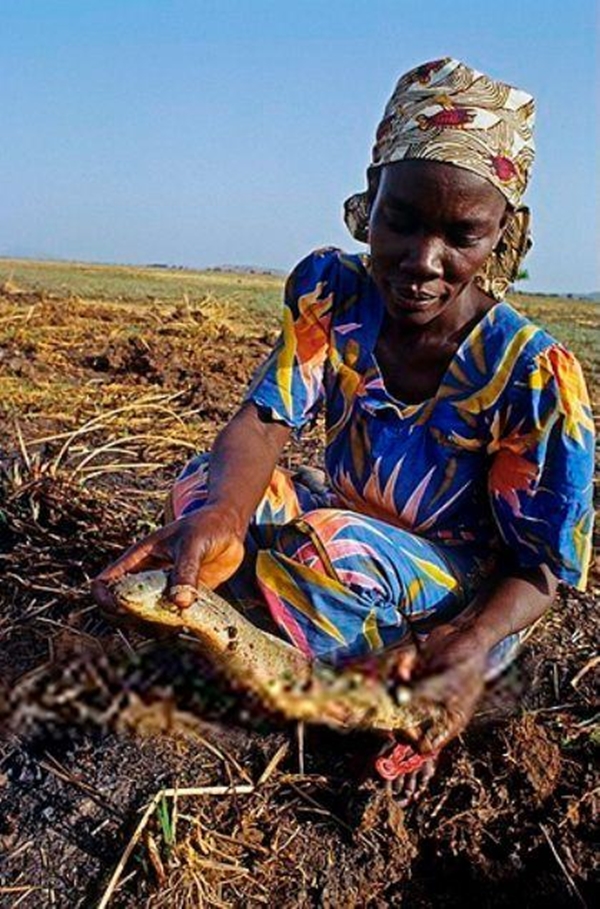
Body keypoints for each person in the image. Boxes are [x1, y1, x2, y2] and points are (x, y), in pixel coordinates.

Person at [93, 58, 595, 804]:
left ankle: (381, 678)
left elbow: (544, 569)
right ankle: (266, 614)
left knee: (328, 548)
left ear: (504, 236)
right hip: (352, 525)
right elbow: (268, 416)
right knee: (207, 485)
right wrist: (224, 515)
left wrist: (469, 641)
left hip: (462, 594)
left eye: (462, 235)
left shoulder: (531, 374)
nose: (423, 261)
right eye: (401, 221)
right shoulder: (334, 290)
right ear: (371, 197)